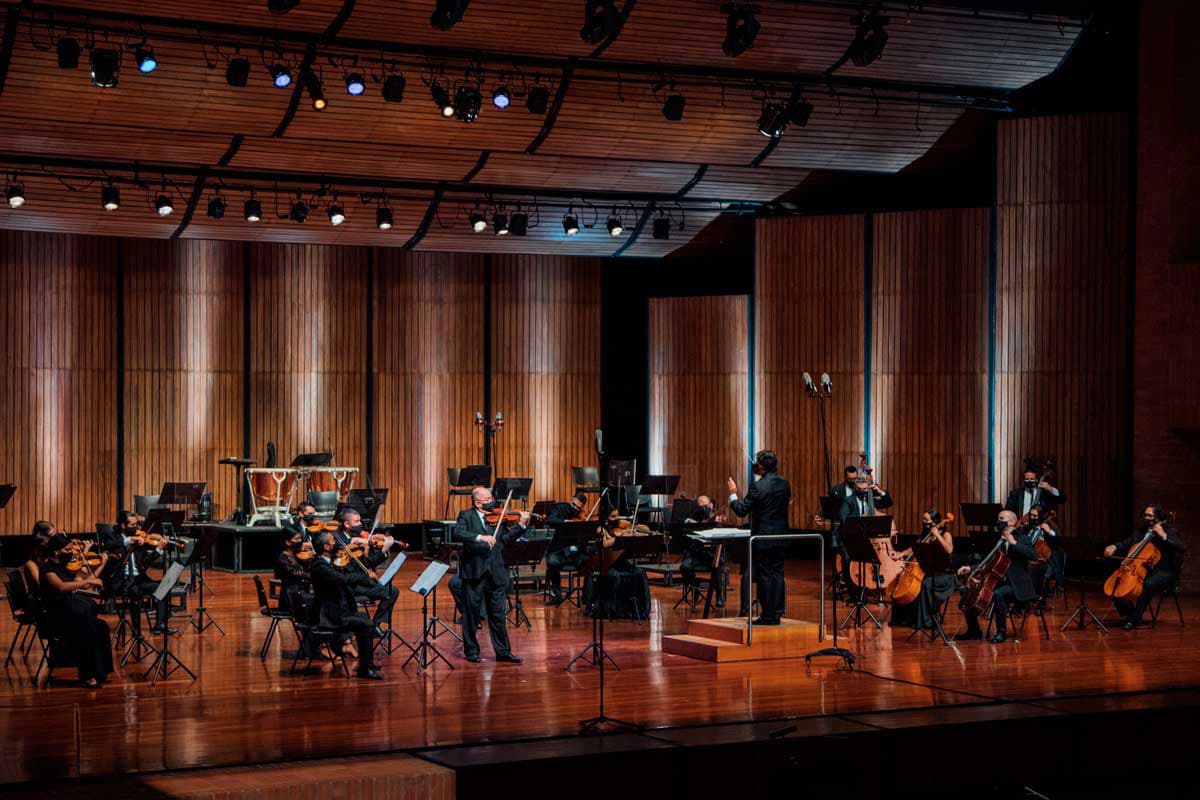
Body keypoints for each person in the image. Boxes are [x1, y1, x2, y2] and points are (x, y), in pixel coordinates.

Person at [452, 487, 529, 663]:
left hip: (495, 573)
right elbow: (458, 532)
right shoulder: (466, 516)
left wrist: (521, 525)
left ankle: (503, 652)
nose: (492, 500)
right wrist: (480, 537)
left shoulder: (499, 518)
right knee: (471, 616)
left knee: (498, 615)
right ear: (478, 503)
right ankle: (471, 651)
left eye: (492, 497)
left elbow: (505, 540)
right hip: (474, 573)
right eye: (488, 499)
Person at [727, 450, 792, 625]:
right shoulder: (785, 484)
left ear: (761, 466)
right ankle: (777, 612)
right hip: (781, 537)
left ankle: (768, 615)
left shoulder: (758, 486)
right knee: (778, 574)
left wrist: (733, 494)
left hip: (763, 539)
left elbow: (741, 511)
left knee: (764, 575)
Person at [39, 533, 113, 687]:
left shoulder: (64, 567)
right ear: (56, 551)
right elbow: (61, 586)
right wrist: (88, 580)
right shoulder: (48, 570)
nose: (71, 553)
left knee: (102, 626)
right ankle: (87, 676)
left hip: (69, 613)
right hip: (56, 617)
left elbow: (84, 584)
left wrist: (99, 567)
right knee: (88, 629)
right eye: (67, 550)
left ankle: (101, 672)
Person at [956, 510, 1041, 644]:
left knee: (998, 594)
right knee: (966, 589)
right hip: (999, 581)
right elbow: (988, 561)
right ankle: (974, 631)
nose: (998, 521)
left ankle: (1001, 632)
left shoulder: (1022, 537)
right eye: (998, 518)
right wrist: (971, 568)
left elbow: (1033, 556)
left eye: (1002, 518)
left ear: (1012, 522)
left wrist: (1014, 543)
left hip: (1018, 585)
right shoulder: (999, 539)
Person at [308, 531, 383, 680]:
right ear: (326, 547)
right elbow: (342, 579)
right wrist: (366, 577)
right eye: (333, 541)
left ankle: (367, 663)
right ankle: (364, 669)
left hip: (338, 610)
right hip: (329, 616)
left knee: (366, 621)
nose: (336, 543)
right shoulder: (319, 565)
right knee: (366, 625)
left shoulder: (328, 562)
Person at [1103, 505, 1185, 629]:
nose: (1146, 518)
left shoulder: (1169, 531)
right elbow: (1129, 542)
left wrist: (1162, 534)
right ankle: (1131, 613)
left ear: (1158, 517)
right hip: (1143, 567)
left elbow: (1181, 547)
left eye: (1150, 515)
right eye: (1145, 515)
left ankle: (1135, 619)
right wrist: (1115, 546)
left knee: (1148, 583)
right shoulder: (1142, 530)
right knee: (1117, 583)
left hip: (1163, 570)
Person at [101, 511, 173, 635]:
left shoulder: (141, 539)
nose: (136, 528)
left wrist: (158, 550)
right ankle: (136, 629)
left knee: (163, 587)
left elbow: (145, 563)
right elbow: (108, 545)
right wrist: (129, 540)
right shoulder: (112, 536)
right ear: (123, 525)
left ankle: (160, 624)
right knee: (134, 591)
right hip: (121, 581)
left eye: (137, 524)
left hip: (138, 579)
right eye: (132, 525)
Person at [581, 502, 652, 620]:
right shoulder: (601, 529)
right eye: (612, 517)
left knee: (640, 572)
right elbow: (603, 544)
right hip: (606, 563)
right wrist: (619, 538)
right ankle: (615, 609)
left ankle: (636, 609)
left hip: (620, 561)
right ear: (605, 517)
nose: (616, 519)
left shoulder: (620, 526)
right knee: (616, 575)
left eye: (617, 516)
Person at [333, 509, 398, 629]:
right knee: (389, 592)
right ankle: (370, 627)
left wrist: (383, 550)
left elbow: (371, 561)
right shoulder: (337, 539)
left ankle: (377, 625)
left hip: (364, 581)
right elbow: (339, 550)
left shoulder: (358, 537)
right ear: (347, 524)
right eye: (357, 521)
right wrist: (353, 541)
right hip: (350, 585)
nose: (360, 524)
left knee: (392, 591)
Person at [890, 509, 955, 630]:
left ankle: (927, 620)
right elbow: (913, 548)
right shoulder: (925, 535)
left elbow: (949, 550)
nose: (924, 523)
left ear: (935, 521)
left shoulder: (946, 535)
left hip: (944, 574)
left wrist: (937, 535)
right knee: (902, 581)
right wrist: (901, 554)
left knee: (925, 584)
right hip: (929, 571)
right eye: (923, 520)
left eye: (927, 520)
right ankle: (906, 619)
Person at [545, 492, 589, 605]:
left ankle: (587, 596)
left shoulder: (582, 515)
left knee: (591, 562)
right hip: (559, 550)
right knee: (551, 562)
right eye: (574, 505)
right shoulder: (560, 508)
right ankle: (557, 595)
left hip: (576, 551)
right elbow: (551, 520)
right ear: (572, 499)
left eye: (579, 507)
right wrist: (567, 522)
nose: (575, 509)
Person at [275, 528, 314, 613]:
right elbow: (295, 573)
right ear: (288, 542)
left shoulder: (297, 554)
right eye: (297, 539)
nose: (300, 541)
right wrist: (312, 575)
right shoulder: (282, 557)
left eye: (300, 538)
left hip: (301, 592)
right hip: (291, 596)